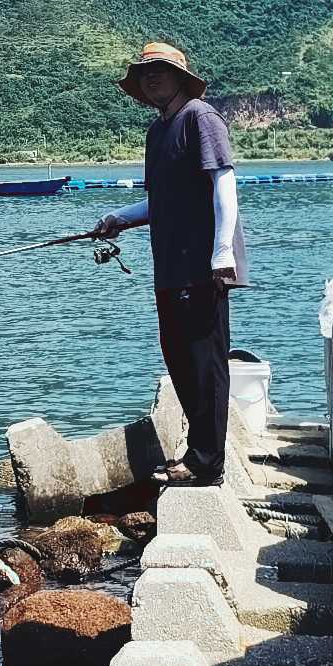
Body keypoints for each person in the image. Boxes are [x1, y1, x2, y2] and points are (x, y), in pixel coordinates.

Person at [88, 41, 245, 487]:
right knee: (178, 357)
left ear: (180, 77)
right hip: (169, 265)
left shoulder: (200, 117)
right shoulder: (158, 132)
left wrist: (222, 252)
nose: (151, 77)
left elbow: (223, 183)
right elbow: (162, 202)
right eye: (144, 73)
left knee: (206, 360)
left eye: (159, 70)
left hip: (202, 265)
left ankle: (206, 464)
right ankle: (196, 453)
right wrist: (121, 218)